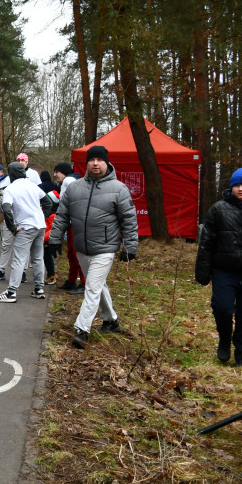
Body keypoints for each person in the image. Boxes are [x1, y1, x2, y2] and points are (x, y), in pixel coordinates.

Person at [47, 145, 138, 349]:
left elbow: (129, 220)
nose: (95, 163)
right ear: (86, 163)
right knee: (98, 286)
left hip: (105, 248)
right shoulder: (74, 188)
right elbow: (62, 216)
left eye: (100, 160)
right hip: (82, 248)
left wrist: (130, 246)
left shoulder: (119, 189)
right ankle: (111, 321)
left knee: (92, 287)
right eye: (92, 160)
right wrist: (54, 239)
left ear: (106, 162)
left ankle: (82, 329)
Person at [194, 168, 242, 368]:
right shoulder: (218, 209)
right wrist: (203, 272)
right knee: (221, 307)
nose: (240, 189)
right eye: (237, 185)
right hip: (224, 270)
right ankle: (224, 338)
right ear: (231, 187)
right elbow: (207, 242)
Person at [0, 162, 52, 302]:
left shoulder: (10, 188)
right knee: (37, 258)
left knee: (19, 259)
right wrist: (41, 218)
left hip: (25, 227)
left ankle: (11, 292)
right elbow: (48, 203)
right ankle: (39, 289)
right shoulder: (32, 185)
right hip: (39, 226)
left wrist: (12, 228)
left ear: (11, 174)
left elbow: (6, 208)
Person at [53, 163, 85, 293]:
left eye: (57, 172)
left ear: (64, 172)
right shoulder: (72, 180)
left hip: (75, 223)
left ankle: (83, 283)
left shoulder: (68, 181)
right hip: (73, 222)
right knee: (72, 253)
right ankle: (72, 280)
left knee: (77, 253)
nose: (55, 175)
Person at [39, 171, 61, 285]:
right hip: (46, 238)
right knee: (46, 257)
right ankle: (50, 274)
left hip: (48, 240)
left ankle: (52, 275)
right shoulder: (50, 213)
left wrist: (43, 238)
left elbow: (51, 229)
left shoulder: (52, 215)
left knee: (48, 258)